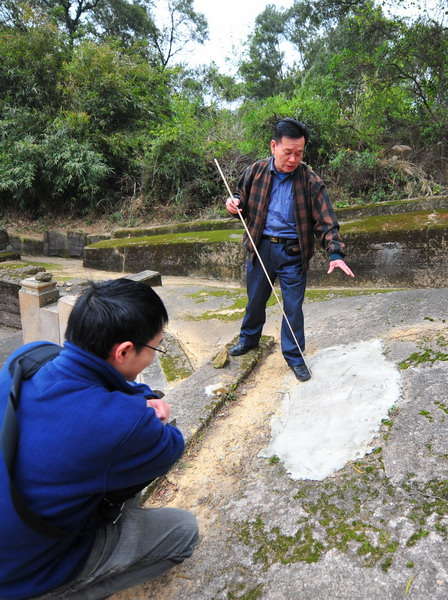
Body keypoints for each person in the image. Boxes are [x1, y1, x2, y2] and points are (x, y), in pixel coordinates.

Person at [0, 278, 198, 600]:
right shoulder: (123, 425)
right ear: (124, 351)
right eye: (155, 347)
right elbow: (171, 444)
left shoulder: (30, 358)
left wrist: (138, 398)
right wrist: (148, 412)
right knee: (182, 531)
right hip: (22, 575)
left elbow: (101, 391)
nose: (154, 356)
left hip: (12, 529)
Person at [225, 118, 354, 381]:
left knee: (292, 308)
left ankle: (295, 356)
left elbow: (326, 220)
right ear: (274, 146)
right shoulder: (256, 171)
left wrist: (336, 253)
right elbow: (240, 196)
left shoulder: (310, 180)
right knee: (255, 300)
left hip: (293, 253)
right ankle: (249, 339)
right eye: (288, 152)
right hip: (260, 249)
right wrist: (233, 202)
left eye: (299, 153)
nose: (294, 159)